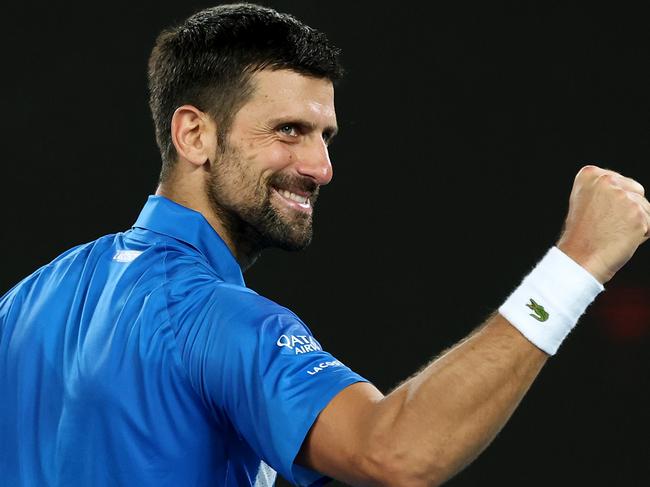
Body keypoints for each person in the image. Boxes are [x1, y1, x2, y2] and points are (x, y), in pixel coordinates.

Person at [0, 3, 648, 486]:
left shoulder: (23, 303)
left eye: (325, 136)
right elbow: (395, 449)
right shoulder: (215, 318)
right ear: (194, 135)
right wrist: (577, 263)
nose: (319, 167)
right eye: (288, 130)